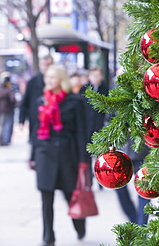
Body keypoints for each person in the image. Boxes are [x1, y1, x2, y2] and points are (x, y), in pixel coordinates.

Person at [33, 64, 89, 246]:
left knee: (70, 195)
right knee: (46, 199)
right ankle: (48, 237)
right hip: (44, 154)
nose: (48, 80)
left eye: (52, 77)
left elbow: (81, 132)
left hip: (67, 155)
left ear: (61, 80)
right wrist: (33, 155)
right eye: (46, 77)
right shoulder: (41, 100)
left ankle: (79, 225)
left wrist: (83, 160)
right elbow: (35, 131)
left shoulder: (75, 101)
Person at [19, 55, 54, 167]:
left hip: (53, 119)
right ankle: (35, 160)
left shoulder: (57, 82)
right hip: (36, 119)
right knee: (36, 141)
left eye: (48, 65)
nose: (46, 67)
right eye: (44, 64)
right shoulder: (33, 82)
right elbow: (25, 102)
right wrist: (22, 119)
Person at [116, 139, 150, 225]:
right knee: (120, 189)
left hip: (141, 153)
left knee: (144, 190)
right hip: (122, 153)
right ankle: (136, 222)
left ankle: (141, 225)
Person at [0, 73, 16, 146]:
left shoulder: (1, 89)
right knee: (7, 125)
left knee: (1, 125)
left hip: (1, 109)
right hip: (7, 109)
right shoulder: (9, 90)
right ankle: (5, 140)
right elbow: (12, 99)